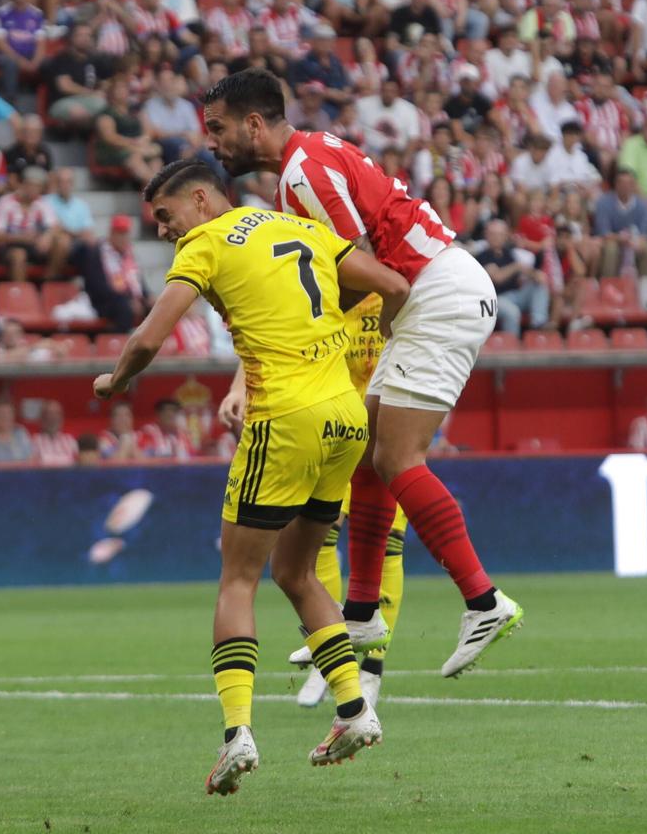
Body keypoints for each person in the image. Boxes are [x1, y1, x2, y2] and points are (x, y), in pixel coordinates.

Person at [93, 159, 410, 793]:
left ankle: (237, 734)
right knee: (295, 571)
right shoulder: (299, 226)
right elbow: (393, 286)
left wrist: (118, 380)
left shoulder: (205, 242)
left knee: (237, 578)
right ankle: (355, 710)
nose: (164, 230)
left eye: (166, 215)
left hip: (283, 418)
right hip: (346, 415)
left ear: (202, 199)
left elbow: (153, 335)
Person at [201, 69, 524, 677]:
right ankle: (360, 613)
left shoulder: (303, 175)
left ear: (253, 124)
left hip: (436, 293)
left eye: (217, 129)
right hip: (432, 291)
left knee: (400, 459)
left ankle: (484, 600)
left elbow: (372, 275)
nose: (211, 144)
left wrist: (292, 335)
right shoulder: (311, 158)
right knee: (368, 459)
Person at [293, 290, 410, 711]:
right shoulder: (328, 289)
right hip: (338, 432)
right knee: (317, 540)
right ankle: (328, 657)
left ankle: (372, 668)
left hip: (388, 431)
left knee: (388, 547)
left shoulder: (402, 290)